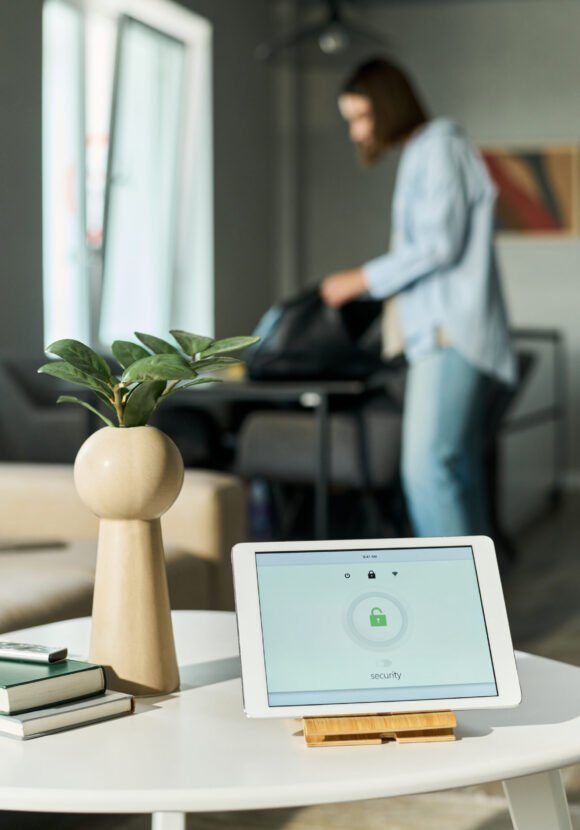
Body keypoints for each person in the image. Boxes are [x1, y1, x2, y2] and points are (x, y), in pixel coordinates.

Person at [320, 57, 516, 538]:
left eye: (361, 118)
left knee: (427, 470)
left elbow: (437, 245)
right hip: (447, 332)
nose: (356, 133)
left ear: (388, 107)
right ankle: (478, 603)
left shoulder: (439, 149)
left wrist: (358, 279)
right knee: (456, 471)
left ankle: (454, 606)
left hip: (451, 334)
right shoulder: (426, 152)